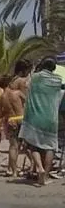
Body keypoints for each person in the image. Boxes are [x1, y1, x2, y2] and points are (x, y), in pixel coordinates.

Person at [19, 58, 63, 186]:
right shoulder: (58, 80)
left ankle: (39, 167)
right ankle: (44, 177)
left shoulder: (35, 77)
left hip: (35, 116)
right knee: (50, 147)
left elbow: (26, 86)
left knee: (32, 144)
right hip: (51, 118)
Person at [0, 75, 27, 177]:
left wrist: (7, 113)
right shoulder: (17, 93)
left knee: (13, 147)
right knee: (28, 145)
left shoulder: (1, 98)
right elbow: (28, 102)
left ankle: (13, 171)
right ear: (10, 83)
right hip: (22, 118)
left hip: (11, 121)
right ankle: (34, 167)